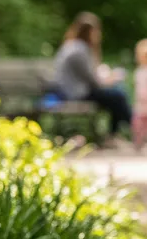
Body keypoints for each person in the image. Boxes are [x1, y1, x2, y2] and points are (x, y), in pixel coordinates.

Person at [51, 12, 133, 145]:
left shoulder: (73, 46)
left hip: (72, 91)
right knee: (118, 95)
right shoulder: (78, 50)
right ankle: (132, 127)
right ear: (90, 32)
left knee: (117, 94)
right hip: (75, 94)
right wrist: (110, 79)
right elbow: (92, 81)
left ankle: (119, 132)